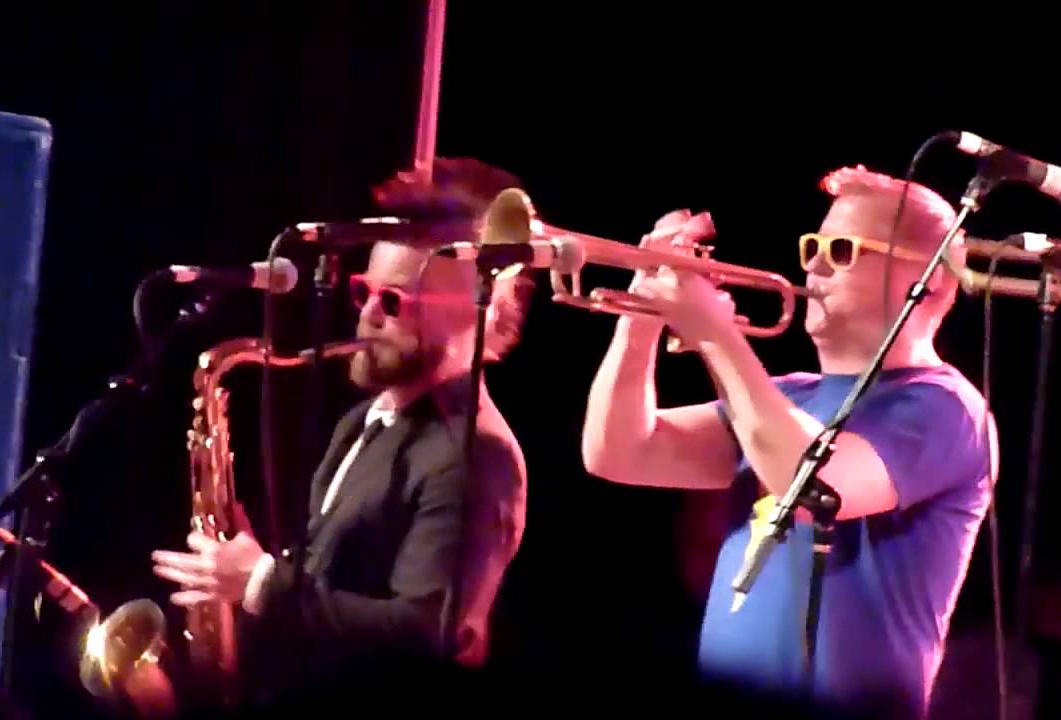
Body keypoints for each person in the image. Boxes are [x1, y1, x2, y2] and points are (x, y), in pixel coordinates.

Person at [581, 165, 997, 718]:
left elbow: (814, 488)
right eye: (813, 247)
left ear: (930, 281)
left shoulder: (945, 407)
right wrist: (641, 319)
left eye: (843, 250)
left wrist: (715, 334)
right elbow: (619, 451)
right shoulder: (786, 396)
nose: (815, 266)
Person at [150, 158, 531, 703]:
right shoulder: (364, 422)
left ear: (471, 314)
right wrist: (254, 570)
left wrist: (261, 583)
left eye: (393, 301)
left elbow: (430, 632)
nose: (368, 315)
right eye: (362, 291)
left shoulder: (474, 454)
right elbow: (335, 585)